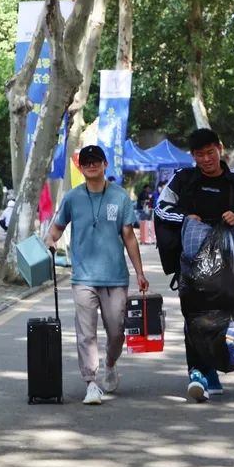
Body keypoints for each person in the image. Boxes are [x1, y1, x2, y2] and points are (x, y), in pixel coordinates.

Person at [155, 128, 234, 402]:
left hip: (228, 264)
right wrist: (186, 218)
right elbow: (161, 208)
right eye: (199, 154)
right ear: (193, 156)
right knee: (194, 316)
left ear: (220, 149)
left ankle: (211, 366)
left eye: (210, 152)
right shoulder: (183, 179)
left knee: (221, 317)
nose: (205, 159)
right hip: (190, 264)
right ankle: (198, 373)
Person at [45, 146, 149, 405]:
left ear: (105, 165)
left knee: (116, 331)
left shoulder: (119, 196)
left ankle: (110, 363)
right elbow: (56, 229)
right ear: (80, 167)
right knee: (86, 332)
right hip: (83, 277)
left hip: (115, 276)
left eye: (96, 161)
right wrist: (50, 241)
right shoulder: (72, 198)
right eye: (86, 162)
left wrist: (140, 272)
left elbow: (129, 236)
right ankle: (90, 382)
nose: (91, 165)